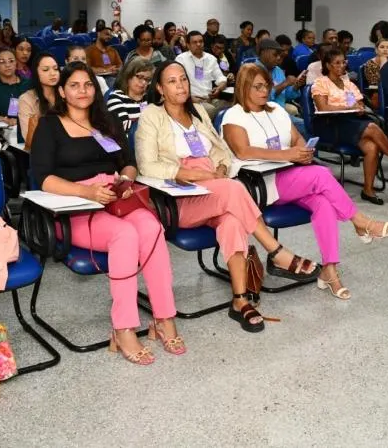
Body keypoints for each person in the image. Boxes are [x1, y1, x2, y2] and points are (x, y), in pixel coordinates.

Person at [135, 61, 320, 332]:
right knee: (235, 190)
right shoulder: (152, 116)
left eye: (183, 79)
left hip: (215, 188)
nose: (181, 85)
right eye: (172, 81)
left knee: (232, 221)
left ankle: (240, 299)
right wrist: (197, 175)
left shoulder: (197, 111)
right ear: (160, 89)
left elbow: (221, 150)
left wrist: (220, 167)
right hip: (179, 198)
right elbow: (147, 165)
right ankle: (277, 252)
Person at [30, 62, 181, 364]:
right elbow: (44, 177)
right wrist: (87, 192)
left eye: (88, 84)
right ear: (62, 90)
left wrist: (125, 178)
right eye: (74, 85)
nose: (82, 91)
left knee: (151, 227)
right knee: (125, 236)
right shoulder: (49, 124)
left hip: (115, 197)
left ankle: (164, 318)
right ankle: (123, 327)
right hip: (74, 206)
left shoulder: (107, 120)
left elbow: (127, 162)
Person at [223, 64, 388, 300]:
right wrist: (288, 155)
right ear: (244, 88)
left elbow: (298, 139)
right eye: (258, 87)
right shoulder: (234, 114)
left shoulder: (276, 109)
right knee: (322, 174)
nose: (264, 91)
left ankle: (330, 270)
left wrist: (302, 152)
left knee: (323, 203)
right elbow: (242, 151)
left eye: (267, 85)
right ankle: (360, 221)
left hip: (288, 174)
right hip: (259, 182)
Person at [312, 48, 388, 204]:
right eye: (337, 63)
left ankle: (368, 190)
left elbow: (356, 104)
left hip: (352, 122)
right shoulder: (320, 83)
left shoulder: (348, 84)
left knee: (371, 147)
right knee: (372, 127)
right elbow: (323, 108)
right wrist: (346, 108)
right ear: (328, 65)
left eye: (343, 62)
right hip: (331, 124)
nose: (341, 66)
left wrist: (358, 109)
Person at [254, 38, 305, 133]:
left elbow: (286, 96)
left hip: (280, 114)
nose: (278, 58)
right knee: (302, 128)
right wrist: (284, 83)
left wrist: (296, 86)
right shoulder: (253, 71)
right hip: (261, 116)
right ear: (264, 53)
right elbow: (261, 99)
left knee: (306, 126)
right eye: (275, 55)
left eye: (279, 55)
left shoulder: (278, 70)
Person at [175, 31, 228, 119]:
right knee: (211, 111)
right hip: (191, 100)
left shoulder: (211, 59)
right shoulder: (181, 59)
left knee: (230, 108)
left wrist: (219, 88)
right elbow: (176, 84)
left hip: (209, 98)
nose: (198, 44)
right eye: (194, 42)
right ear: (188, 45)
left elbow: (221, 78)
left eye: (201, 41)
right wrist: (188, 98)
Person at [0, 47, 30, 130]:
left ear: (16, 64)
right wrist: (3, 119)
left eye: (11, 61)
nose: (7, 65)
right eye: (2, 62)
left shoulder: (28, 84)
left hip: (26, 129)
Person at [18, 53, 60, 144]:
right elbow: (30, 139)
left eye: (55, 69)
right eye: (46, 70)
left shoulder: (66, 94)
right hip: (44, 151)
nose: (53, 73)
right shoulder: (26, 99)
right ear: (36, 73)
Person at [106, 58, 154, 131]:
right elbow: (123, 126)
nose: (144, 82)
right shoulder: (115, 97)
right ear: (128, 75)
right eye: (140, 77)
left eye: (147, 79)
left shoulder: (149, 96)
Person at [362, 37, 388, 108]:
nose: (385, 50)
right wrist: (383, 63)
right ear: (376, 50)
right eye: (382, 47)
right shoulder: (369, 64)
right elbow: (376, 83)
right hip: (377, 93)